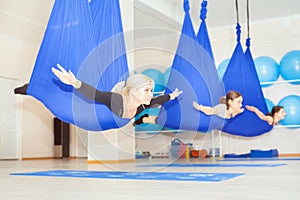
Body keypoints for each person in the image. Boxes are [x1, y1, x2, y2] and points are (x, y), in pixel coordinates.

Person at [48, 64, 182, 125]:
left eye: (151, 91)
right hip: (96, 112)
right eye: (147, 90)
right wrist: (74, 82)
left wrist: (172, 96)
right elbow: (95, 95)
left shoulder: (141, 106)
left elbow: (157, 101)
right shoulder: (115, 99)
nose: (150, 94)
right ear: (134, 91)